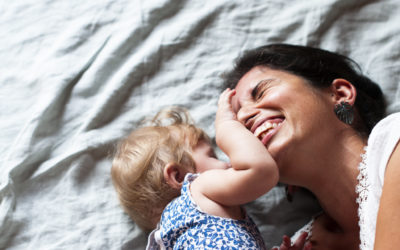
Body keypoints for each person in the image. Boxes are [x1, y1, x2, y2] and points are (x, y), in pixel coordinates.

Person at [223, 43, 400, 249]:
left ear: (340, 94)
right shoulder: (304, 243)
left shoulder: (395, 138)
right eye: (237, 122)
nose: (244, 116)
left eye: (261, 92)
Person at [111, 92, 311, 249]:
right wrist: (226, 126)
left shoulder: (172, 239)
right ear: (179, 176)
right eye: (212, 156)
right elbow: (263, 172)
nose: (228, 163)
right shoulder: (197, 189)